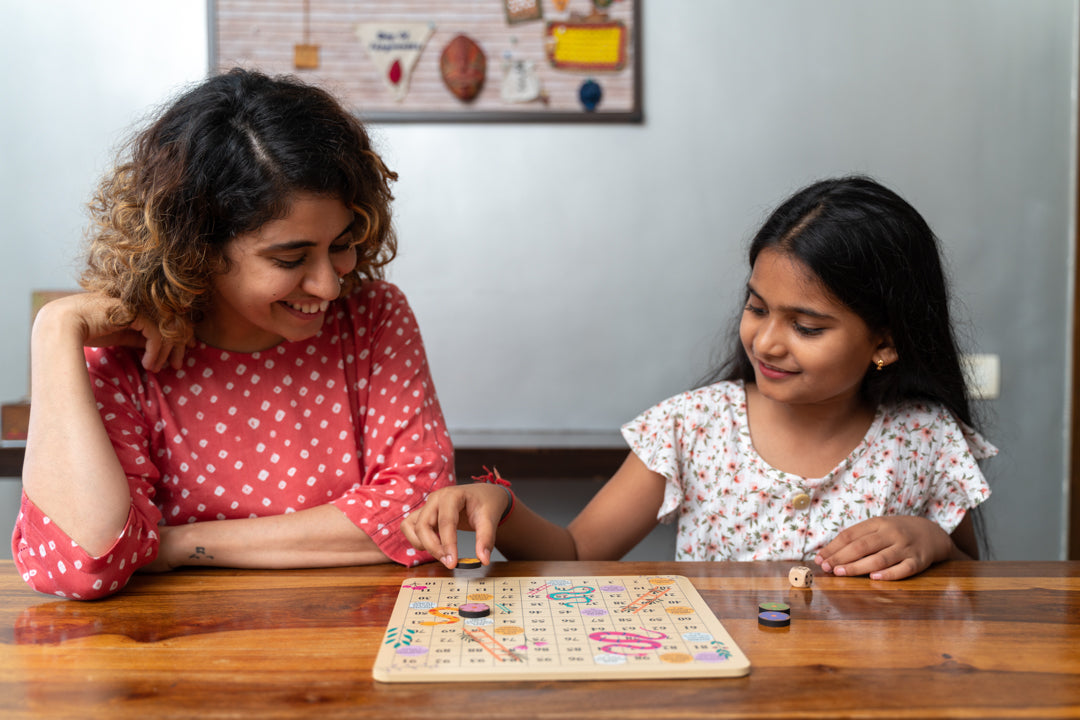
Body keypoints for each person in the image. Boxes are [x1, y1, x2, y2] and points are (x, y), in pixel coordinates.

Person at [403, 175, 994, 581]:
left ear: (884, 341)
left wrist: (934, 543)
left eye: (807, 327)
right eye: (758, 307)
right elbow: (578, 553)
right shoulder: (693, 427)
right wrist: (500, 505)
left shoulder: (924, 437)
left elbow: (976, 590)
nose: (766, 341)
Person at [13, 68, 455, 600]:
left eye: (342, 243)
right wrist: (56, 328)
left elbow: (421, 509)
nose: (330, 285)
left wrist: (177, 546)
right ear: (197, 248)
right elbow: (83, 562)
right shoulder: (125, 355)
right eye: (290, 258)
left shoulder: (374, 318)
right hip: (172, 662)